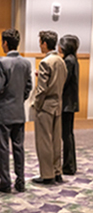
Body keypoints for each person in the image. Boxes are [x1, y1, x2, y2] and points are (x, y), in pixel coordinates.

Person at [0, 29, 32, 193]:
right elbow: (28, 87)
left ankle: (5, 182)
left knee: (3, 148)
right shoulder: (26, 63)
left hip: (4, 112)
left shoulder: (2, 63)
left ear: (5, 43)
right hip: (19, 111)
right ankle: (20, 181)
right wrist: (19, 99)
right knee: (18, 147)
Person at [32, 30, 67, 184]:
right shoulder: (61, 61)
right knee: (56, 141)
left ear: (45, 44)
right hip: (58, 104)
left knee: (44, 141)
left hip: (46, 106)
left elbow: (42, 90)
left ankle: (47, 174)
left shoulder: (45, 62)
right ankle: (57, 171)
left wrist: (36, 105)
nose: (39, 45)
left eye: (40, 42)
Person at [58, 35, 80, 175]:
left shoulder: (68, 61)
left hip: (66, 103)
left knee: (66, 135)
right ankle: (70, 164)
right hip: (70, 102)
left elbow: (62, 81)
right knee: (68, 134)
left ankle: (69, 166)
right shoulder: (73, 60)